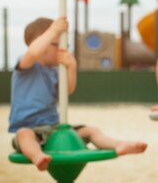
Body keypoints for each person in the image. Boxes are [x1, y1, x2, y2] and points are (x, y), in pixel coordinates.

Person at [9, 17, 147, 171]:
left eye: (66, 46)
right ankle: (37, 157)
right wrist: (54, 30)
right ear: (44, 44)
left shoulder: (55, 71)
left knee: (91, 130)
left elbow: (67, 91)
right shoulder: (26, 63)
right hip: (29, 128)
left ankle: (119, 145)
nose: (64, 50)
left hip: (53, 127)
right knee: (24, 135)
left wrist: (72, 67)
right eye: (59, 45)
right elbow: (34, 51)